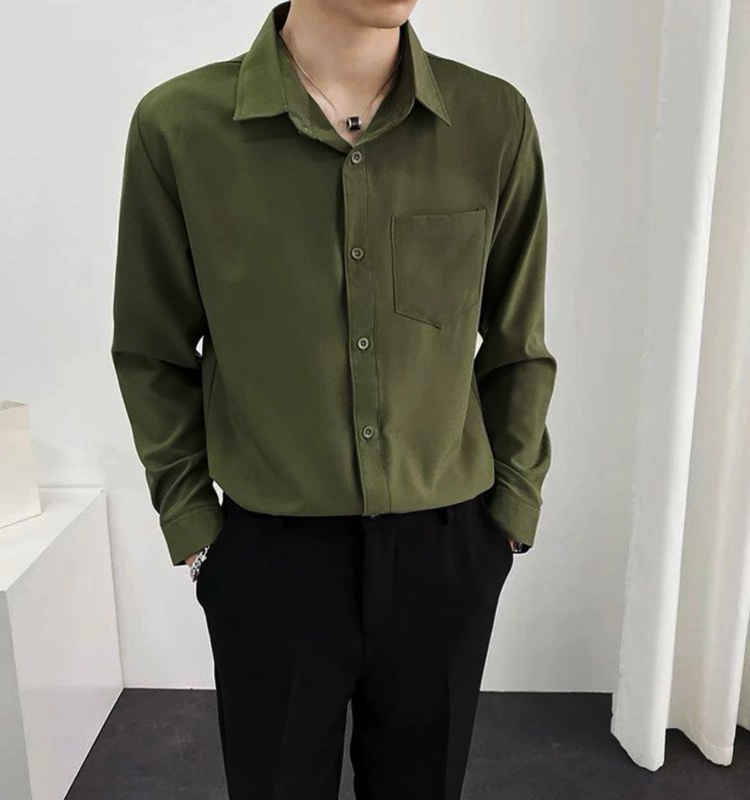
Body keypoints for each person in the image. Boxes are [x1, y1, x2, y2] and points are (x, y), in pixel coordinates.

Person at [111, 0, 557, 797]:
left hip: (446, 554)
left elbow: (518, 344)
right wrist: (196, 531)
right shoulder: (179, 130)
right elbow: (153, 351)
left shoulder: (493, 121)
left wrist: (509, 517)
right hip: (270, 561)